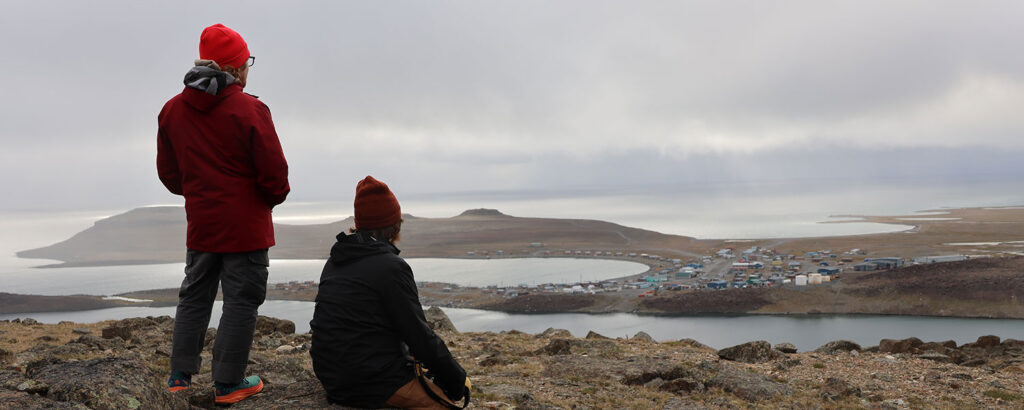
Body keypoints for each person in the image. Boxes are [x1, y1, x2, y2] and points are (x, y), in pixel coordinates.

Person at [157, 23, 290, 405]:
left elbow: (169, 175)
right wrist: (263, 200)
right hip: (246, 229)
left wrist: (202, 194)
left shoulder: (171, 111)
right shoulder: (250, 109)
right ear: (233, 69)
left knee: (194, 296)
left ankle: (179, 378)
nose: (249, 70)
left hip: (202, 225)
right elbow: (275, 177)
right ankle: (229, 384)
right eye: (245, 63)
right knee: (241, 300)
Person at [311, 176, 469, 409]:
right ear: (394, 226)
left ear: (359, 224)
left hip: (332, 377)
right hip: (373, 381)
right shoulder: (391, 267)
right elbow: (419, 336)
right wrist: (457, 380)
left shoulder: (335, 261)